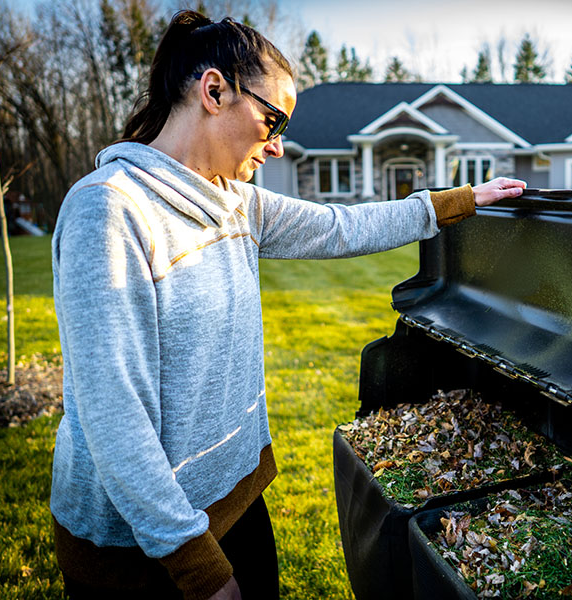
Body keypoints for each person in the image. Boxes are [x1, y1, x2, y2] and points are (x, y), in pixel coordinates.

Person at [49, 10, 526, 600]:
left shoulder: (238, 202)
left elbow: (340, 227)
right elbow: (114, 414)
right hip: (143, 547)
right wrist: (197, 565)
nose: (277, 147)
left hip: (235, 499)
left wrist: (456, 202)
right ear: (215, 90)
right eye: (272, 120)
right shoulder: (110, 209)